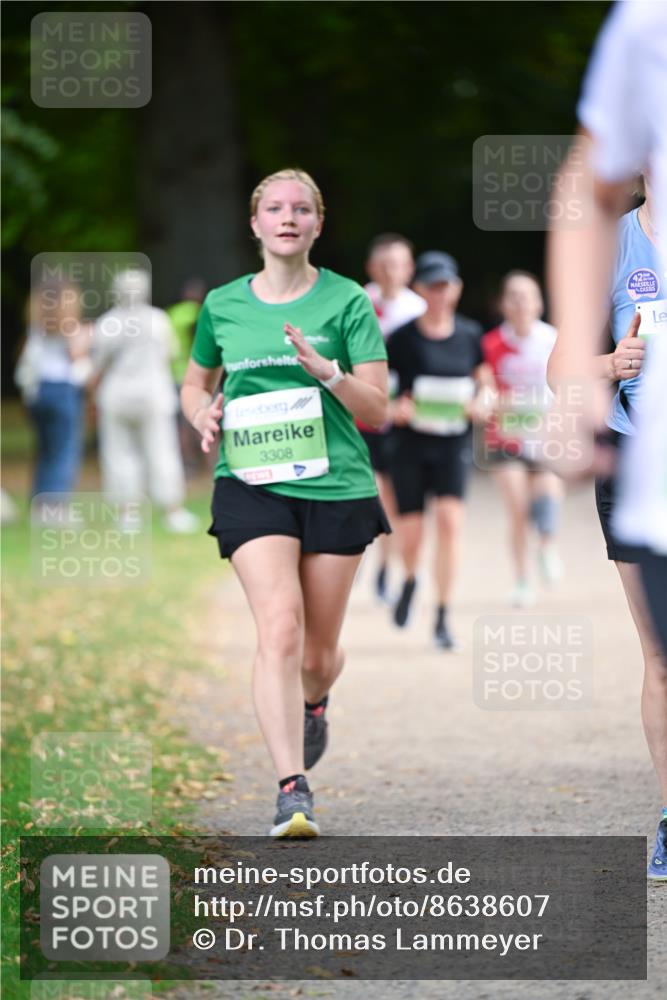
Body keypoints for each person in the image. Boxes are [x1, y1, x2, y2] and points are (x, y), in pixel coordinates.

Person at [180, 168, 390, 838]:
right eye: (275, 208)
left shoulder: (346, 301)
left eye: (301, 209)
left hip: (335, 487)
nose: (288, 218)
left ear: (317, 224)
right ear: (255, 222)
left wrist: (326, 372)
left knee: (316, 653)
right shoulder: (222, 305)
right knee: (279, 626)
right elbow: (193, 384)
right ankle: (290, 789)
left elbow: (379, 410)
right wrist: (200, 415)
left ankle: (316, 699)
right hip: (250, 482)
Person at [547, 0, 667, 880]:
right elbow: (561, 365)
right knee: (662, 655)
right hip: (637, 460)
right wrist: (609, 362)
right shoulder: (617, 237)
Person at [386, 251, 488, 649]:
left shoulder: (469, 334)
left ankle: (443, 614)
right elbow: (385, 391)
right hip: (410, 446)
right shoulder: (402, 339)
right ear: (420, 290)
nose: (440, 294)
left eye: (447, 286)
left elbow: (486, 381)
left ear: (457, 289)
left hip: (452, 445)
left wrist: (484, 400)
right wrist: (397, 407)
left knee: (449, 524)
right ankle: (411, 579)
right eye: (432, 287)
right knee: (412, 537)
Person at [91, 269, 200, 534]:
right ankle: (172, 511)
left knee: (120, 454)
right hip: (153, 394)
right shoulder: (158, 320)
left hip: (117, 396)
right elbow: (170, 352)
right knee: (162, 451)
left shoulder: (107, 323)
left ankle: (128, 514)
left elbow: (97, 363)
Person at [481, 271, 563, 607]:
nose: (520, 303)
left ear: (539, 302)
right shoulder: (490, 344)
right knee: (517, 510)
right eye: (513, 296)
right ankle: (521, 580)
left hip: (545, 436)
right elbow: (485, 385)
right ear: (503, 303)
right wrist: (490, 401)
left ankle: (546, 544)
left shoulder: (554, 340)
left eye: (527, 295)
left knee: (546, 498)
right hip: (506, 437)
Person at [361, 234, 426, 602]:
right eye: (384, 264)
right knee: (365, 490)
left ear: (409, 269)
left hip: (401, 417)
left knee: (391, 497)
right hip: (361, 413)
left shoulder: (417, 309)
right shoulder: (359, 302)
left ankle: (386, 566)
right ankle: (359, 557)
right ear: (372, 268)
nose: (391, 271)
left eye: (398, 264)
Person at [15, 279, 90, 514]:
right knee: (65, 451)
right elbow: (77, 356)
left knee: (46, 450)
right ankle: (56, 508)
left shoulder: (36, 327)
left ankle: (40, 504)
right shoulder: (70, 326)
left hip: (38, 392)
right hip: (63, 391)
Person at [166, 278, 210, 478]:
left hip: (176, 375)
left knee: (182, 426)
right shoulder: (202, 314)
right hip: (201, 376)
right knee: (207, 418)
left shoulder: (171, 315)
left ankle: (188, 466)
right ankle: (211, 463)